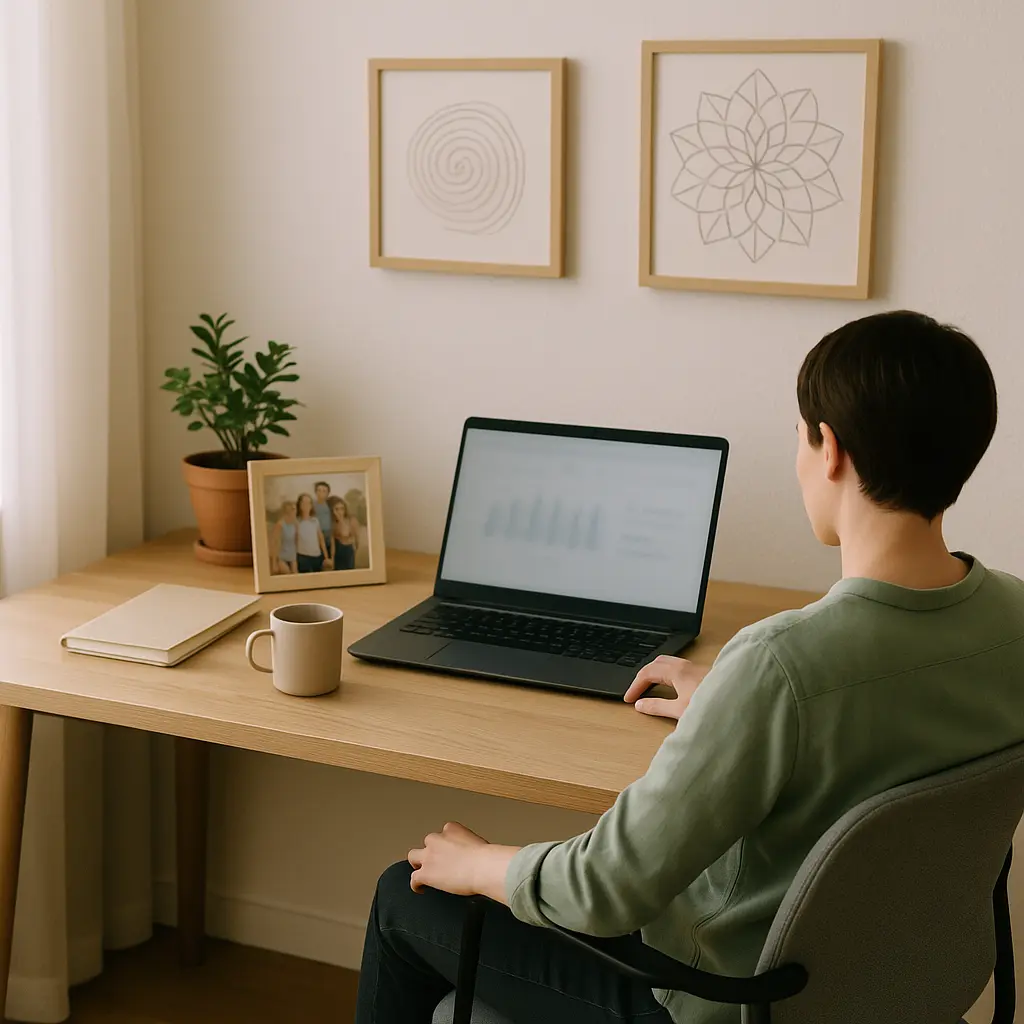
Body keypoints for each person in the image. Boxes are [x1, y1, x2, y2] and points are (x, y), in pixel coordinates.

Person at [354, 311, 1024, 1024]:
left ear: (828, 448)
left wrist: (482, 866)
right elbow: (894, 715)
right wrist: (731, 704)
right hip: (902, 988)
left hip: (726, 1003)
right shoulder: (1011, 617)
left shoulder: (780, 665)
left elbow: (607, 887)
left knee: (406, 894)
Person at [295, 492, 330, 573]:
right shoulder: (296, 522)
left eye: (309, 503)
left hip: (317, 556)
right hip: (303, 557)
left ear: (311, 505)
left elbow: (321, 539)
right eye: (304, 503)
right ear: (299, 505)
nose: (306, 505)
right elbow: (294, 542)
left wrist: (326, 557)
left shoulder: (315, 521)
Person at [327, 495, 360, 570]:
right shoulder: (333, 524)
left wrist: (341, 520)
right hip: (338, 551)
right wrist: (332, 559)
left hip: (349, 550)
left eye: (342, 509)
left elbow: (348, 535)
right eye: (336, 509)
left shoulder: (352, 520)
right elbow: (333, 545)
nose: (340, 512)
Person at [269, 500, 298, 574]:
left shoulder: (295, 524)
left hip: (292, 557)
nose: (295, 512)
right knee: (287, 574)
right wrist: (274, 563)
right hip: (281, 557)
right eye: (293, 509)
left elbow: (295, 542)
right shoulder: (280, 525)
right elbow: (275, 543)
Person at [313, 481, 334, 556]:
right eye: (319, 490)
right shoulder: (312, 505)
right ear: (315, 492)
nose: (321, 493)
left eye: (324, 491)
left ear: (328, 493)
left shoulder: (330, 505)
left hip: (329, 537)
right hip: (316, 537)